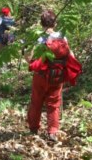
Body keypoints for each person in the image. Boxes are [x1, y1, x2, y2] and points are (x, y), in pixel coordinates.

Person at [26, 9, 75, 142]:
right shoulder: (62, 37)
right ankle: (52, 131)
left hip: (41, 75)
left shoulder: (39, 37)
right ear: (55, 23)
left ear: (41, 23)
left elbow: (30, 57)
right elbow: (71, 56)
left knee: (36, 101)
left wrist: (31, 62)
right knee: (54, 103)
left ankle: (33, 129)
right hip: (57, 76)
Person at [0, 6, 15, 72]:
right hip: (9, 40)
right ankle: (4, 70)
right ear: (9, 12)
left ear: (2, 12)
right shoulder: (12, 19)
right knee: (6, 54)